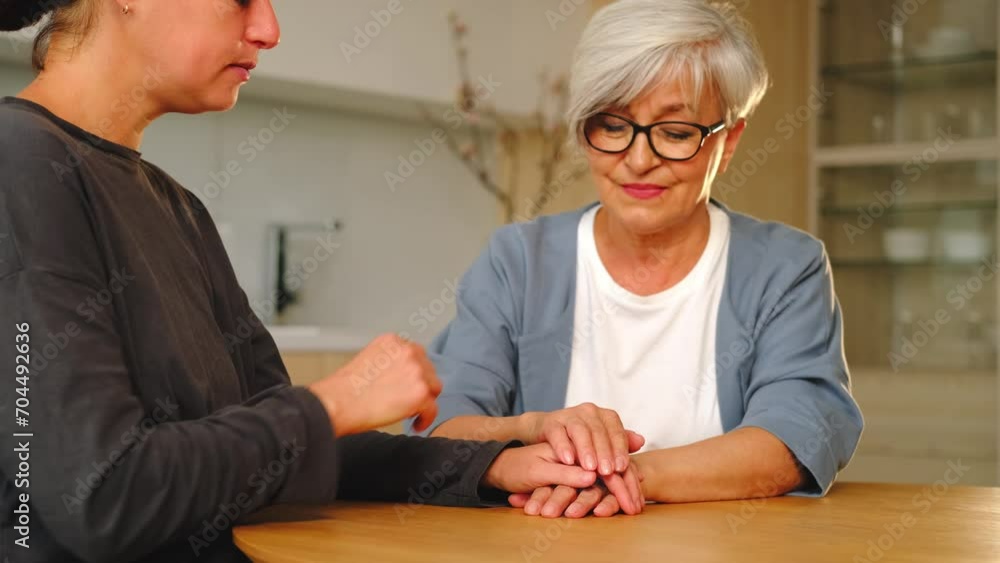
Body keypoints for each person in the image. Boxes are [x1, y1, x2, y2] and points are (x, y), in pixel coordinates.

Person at [0, 1, 604, 561]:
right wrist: (332, 403)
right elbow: (101, 497)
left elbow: (280, 449)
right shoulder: (18, 164)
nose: (269, 29)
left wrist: (494, 464)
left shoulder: (176, 206)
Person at [412, 0, 864, 519]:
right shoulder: (518, 262)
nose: (639, 159)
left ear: (728, 142)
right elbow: (441, 428)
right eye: (611, 126)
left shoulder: (786, 267)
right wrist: (527, 436)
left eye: (675, 133)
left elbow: (797, 436)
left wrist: (619, 477)